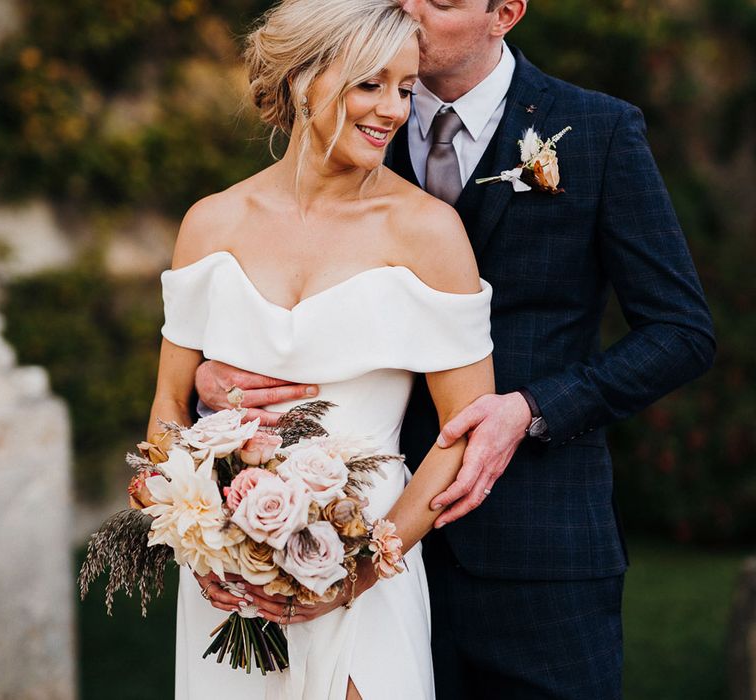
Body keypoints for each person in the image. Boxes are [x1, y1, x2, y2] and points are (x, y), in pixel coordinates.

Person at [197, 0, 716, 698]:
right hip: (343, 531)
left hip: (535, 546)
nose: (407, 8)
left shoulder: (596, 131)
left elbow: (680, 332)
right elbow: (258, 270)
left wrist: (532, 408)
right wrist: (219, 374)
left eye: (438, 0)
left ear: (505, 11)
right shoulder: (347, 115)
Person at [150, 1, 496, 698]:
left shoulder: (428, 232)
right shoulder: (210, 223)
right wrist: (196, 529)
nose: (393, 111)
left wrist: (359, 572)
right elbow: (168, 405)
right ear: (305, 78)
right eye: (370, 83)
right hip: (227, 580)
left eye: (405, 88)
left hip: (367, 560)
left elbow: (463, 434)